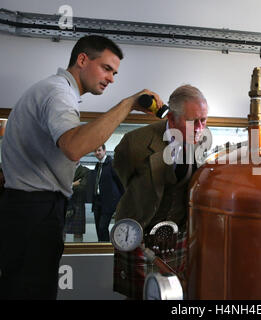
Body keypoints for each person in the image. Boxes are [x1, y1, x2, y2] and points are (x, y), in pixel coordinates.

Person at [0, 35, 163, 300]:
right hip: (34, 210)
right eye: (107, 68)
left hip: (32, 209)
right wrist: (128, 104)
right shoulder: (58, 93)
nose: (111, 78)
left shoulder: (57, 92)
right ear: (82, 60)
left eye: (115, 73)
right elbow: (75, 146)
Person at [112, 84, 208, 299]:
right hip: (138, 234)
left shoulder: (201, 141)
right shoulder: (135, 143)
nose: (201, 128)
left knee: (176, 295)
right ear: (172, 120)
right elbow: (123, 173)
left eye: (204, 120)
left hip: (177, 237)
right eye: (194, 122)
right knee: (140, 295)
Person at [91, 144, 124, 242]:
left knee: (102, 227)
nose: (97, 153)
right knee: (98, 228)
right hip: (97, 201)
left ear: (105, 151)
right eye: (95, 151)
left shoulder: (112, 163)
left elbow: (120, 183)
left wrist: (122, 200)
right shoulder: (98, 165)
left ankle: (106, 248)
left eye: (99, 150)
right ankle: (101, 248)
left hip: (108, 202)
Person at [63, 162, 90, 242]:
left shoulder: (85, 170)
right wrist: (73, 184)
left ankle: (78, 250)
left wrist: (67, 186)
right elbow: (59, 184)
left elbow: (82, 188)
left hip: (78, 204)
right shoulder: (63, 169)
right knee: (61, 231)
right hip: (64, 203)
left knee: (78, 233)